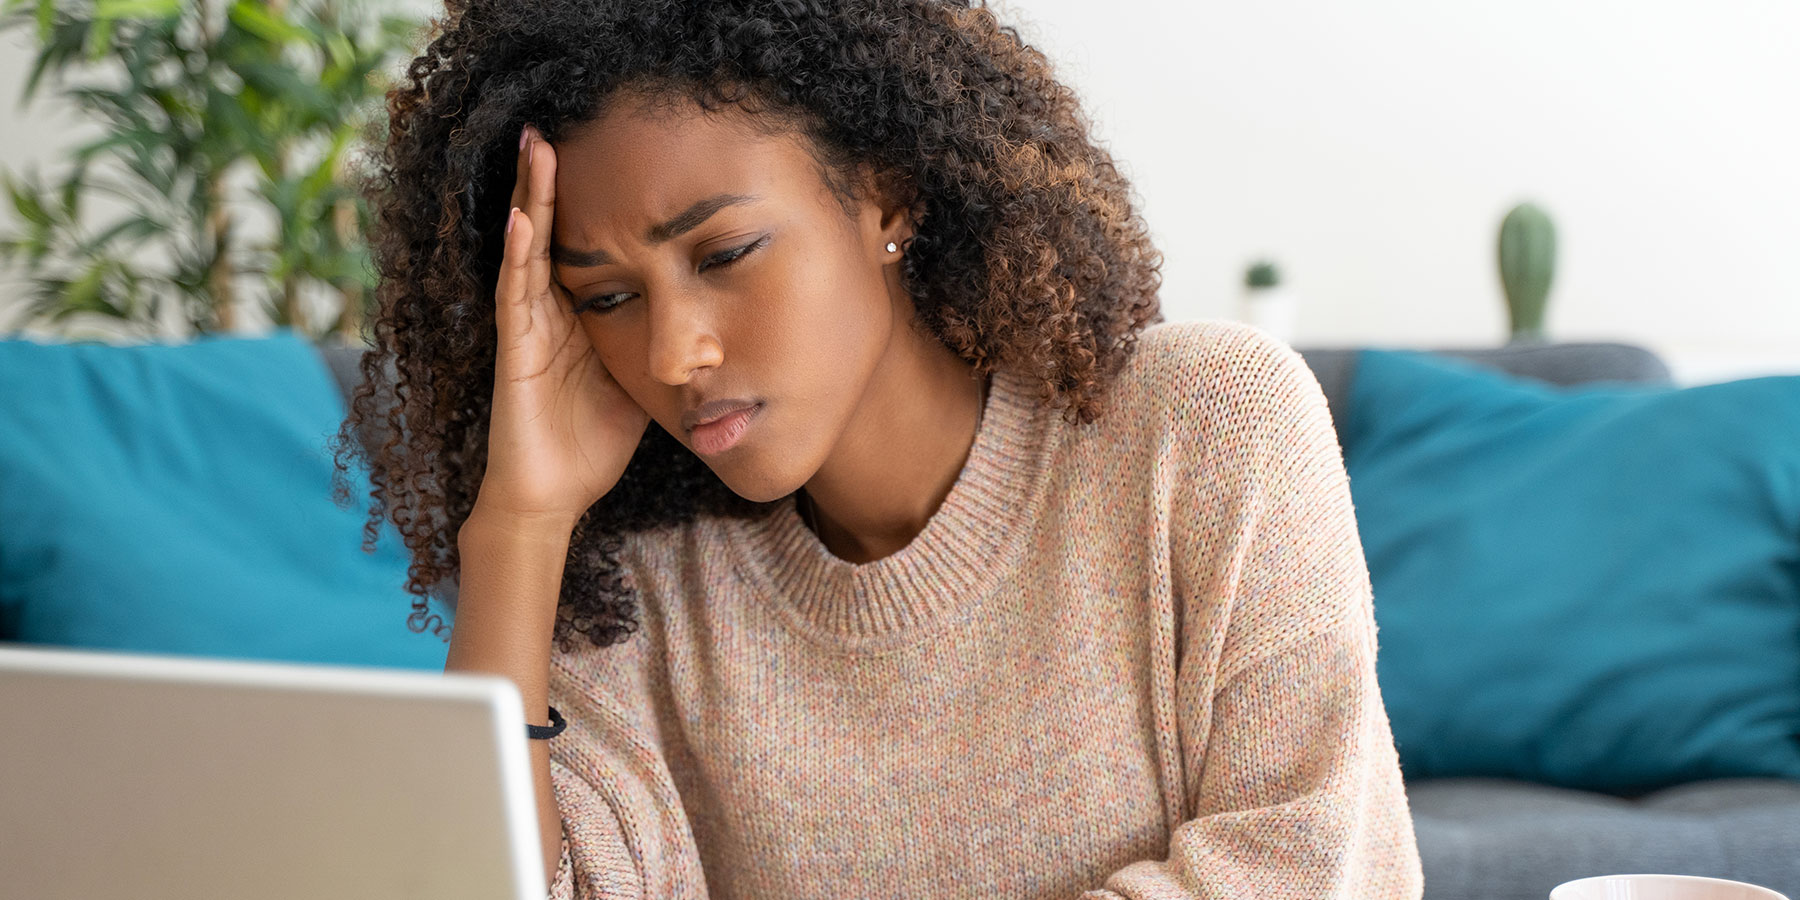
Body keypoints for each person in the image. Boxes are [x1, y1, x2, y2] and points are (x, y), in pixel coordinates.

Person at [332, 1, 1425, 897]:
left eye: (724, 252)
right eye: (608, 298)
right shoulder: (638, 582)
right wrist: (518, 529)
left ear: (886, 195)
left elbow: (1307, 870)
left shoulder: (1207, 424)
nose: (673, 353)